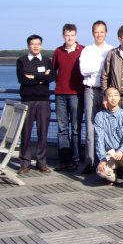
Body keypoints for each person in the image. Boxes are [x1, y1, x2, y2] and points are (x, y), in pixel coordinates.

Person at [16, 34, 55, 174]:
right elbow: (22, 80)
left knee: (43, 133)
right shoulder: (21, 61)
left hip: (44, 100)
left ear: (41, 45)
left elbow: (51, 77)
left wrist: (34, 76)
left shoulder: (47, 60)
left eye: (38, 44)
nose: (36, 46)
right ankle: (25, 163)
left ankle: (41, 163)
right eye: (33, 44)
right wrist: (42, 78)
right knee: (25, 133)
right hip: (27, 100)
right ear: (28, 46)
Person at [79, 20, 114, 174]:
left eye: (102, 32)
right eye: (96, 32)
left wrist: (95, 69)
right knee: (90, 126)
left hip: (106, 91)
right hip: (91, 90)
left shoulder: (111, 50)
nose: (99, 34)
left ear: (106, 33)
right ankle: (90, 161)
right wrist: (100, 68)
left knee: (107, 126)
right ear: (93, 33)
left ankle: (106, 161)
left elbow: (111, 72)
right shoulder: (87, 50)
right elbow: (83, 70)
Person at [52, 23, 85, 172]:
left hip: (76, 95)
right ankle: (63, 161)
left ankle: (75, 160)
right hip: (60, 95)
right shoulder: (58, 51)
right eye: (67, 35)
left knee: (75, 129)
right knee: (62, 129)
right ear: (63, 36)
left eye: (72, 35)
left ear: (76, 36)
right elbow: (52, 70)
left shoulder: (82, 50)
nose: (70, 38)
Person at [94, 87, 123, 189]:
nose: (113, 98)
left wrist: (121, 150)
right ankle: (113, 178)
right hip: (109, 153)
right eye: (110, 95)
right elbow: (99, 139)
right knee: (100, 171)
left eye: (116, 95)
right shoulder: (99, 116)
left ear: (119, 97)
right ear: (105, 98)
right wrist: (102, 158)